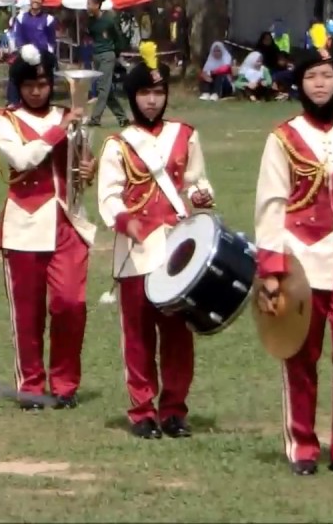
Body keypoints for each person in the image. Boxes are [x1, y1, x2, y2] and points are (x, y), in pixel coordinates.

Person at [97, 42, 215, 440]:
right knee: (138, 335)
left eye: (158, 92)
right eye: (145, 94)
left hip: (178, 248)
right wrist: (125, 221)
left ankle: (174, 411)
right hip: (136, 252)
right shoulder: (118, 144)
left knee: (178, 336)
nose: (152, 100)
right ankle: (142, 410)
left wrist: (201, 195)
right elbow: (109, 196)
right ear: (132, 97)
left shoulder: (186, 135)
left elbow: (198, 180)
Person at [253, 42, 333, 478]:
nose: (320, 84)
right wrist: (271, 271)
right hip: (301, 259)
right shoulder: (283, 137)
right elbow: (270, 205)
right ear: (299, 83)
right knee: (301, 354)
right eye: (311, 77)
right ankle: (303, 445)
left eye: (327, 76)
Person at [0, 44, 96, 410]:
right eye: (29, 85)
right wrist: (58, 130)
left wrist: (89, 167)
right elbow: (23, 157)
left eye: (43, 84)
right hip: (25, 225)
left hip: (68, 222)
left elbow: (83, 161)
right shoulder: (5, 119)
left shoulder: (70, 115)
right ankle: (31, 386)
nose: (37, 91)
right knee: (28, 311)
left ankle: (65, 383)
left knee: (71, 304)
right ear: (18, 86)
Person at [85, 0, 131, 127]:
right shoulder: (90, 21)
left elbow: (118, 38)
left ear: (97, 4)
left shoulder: (109, 19)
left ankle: (95, 119)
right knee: (106, 90)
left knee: (102, 89)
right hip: (96, 56)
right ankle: (122, 118)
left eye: (89, 3)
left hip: (107, 55)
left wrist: (116, 53)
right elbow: (91, 35)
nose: (87, 6)